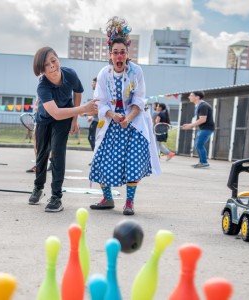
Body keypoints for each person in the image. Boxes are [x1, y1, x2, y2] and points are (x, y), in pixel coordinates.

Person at [89, 16, 161, 216]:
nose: (119, 56)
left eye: (122, 52)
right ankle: (107, 198)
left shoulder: (136, 71)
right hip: (111, 122)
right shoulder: (104, 73)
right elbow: (100, 101)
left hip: (134, 122)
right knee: (102, 160)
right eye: (115, 53)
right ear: (110, 54)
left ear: (127, 53)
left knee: (132, 162)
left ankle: (129, 202)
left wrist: (128, 119)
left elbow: (139, 100)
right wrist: (112, 115)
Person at [29, 46, 98, 212]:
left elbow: (78, 91)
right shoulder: (43, 87)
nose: (52, 66)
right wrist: (82, 110)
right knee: (42, 154)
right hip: (46, 119)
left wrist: (75, 119)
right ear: (41, 70)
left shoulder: (70, 74)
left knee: (58, 154)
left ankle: (56, 197)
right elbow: (56, 113)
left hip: (64, 118)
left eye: (53, 60)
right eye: (46, 65)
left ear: (58, 60)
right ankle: (38, 187)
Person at [182, 91, 215, 169]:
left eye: (191, 95)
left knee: (199, 145)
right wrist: (190, 124)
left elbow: (203, 119)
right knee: (198, 145)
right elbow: (199, 119)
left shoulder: (203, 106)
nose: (189, 97)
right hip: (203, 128)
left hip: (207, 128)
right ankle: (201, 162)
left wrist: (191, 125)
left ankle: (204, 163)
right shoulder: (199, 105)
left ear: (197, 97)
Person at [86, 77, 99, 152]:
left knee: (92, 138)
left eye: (93, 83)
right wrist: (92, 117)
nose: (92, 85)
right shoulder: (96, 93)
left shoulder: (98, 94)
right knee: (92, 138)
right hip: (96, 120)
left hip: (98, 122)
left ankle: (96, 158)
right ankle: (95, 158)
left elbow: (97, 110)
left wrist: (84, 113)